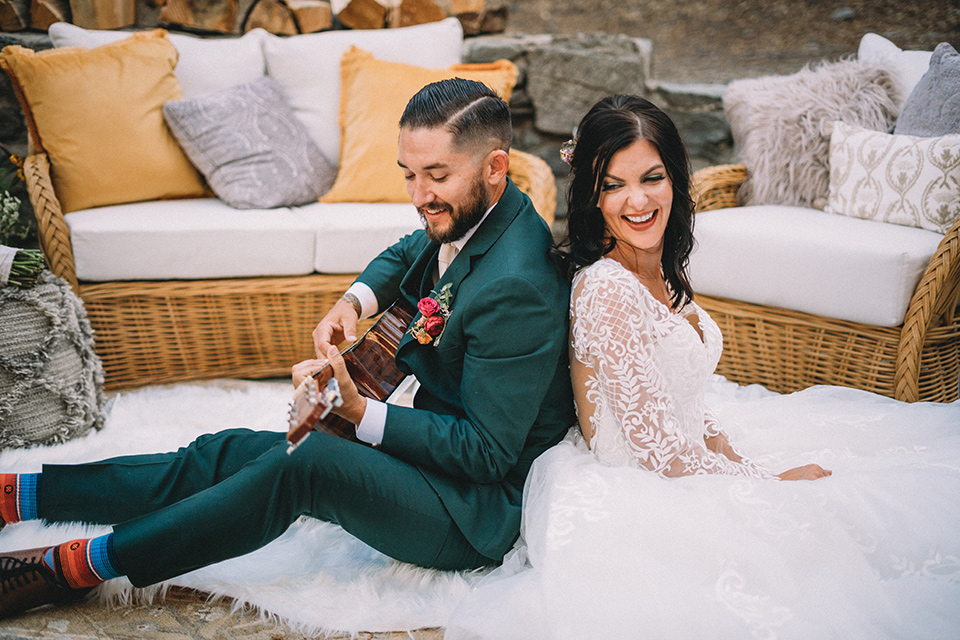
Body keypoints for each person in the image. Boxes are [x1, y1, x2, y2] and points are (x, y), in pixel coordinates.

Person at [0, 78, 575, 618]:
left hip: (472, 512)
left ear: (495, 167)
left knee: (305, 462)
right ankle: (21, 492)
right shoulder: (480, 210)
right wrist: (351, 305)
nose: (419, 196)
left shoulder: (517, 286)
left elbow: (486, 455)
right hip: (432, 459)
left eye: (435, 176)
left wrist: (359, 412)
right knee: (227, 451)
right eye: (408, 174)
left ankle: (76, 567)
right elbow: (407, 253)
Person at [443, 95, 960, 639]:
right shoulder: (606, 289)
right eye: (613, 185)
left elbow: (682, 404)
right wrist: (769, 482)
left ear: (675, 181)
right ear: (593, 197)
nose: (636, 201)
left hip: (681, 457)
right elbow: (659, 456)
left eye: (652, 178)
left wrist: (735, 456)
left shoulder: (658, 270)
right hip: (639, 485)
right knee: (814, 543)